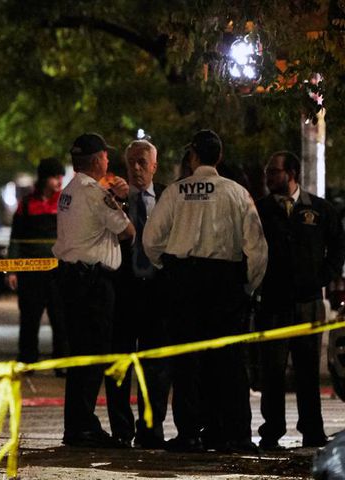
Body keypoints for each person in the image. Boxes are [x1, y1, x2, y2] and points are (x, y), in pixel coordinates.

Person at [143, 129, 268, 453]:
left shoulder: (175, 191)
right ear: (219, 157)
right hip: (225, 282)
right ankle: (234, 433)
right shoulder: (237, 192)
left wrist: (167, 267)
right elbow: (257, 247)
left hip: (184, 281)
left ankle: (189, 434)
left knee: (187, 361)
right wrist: (248, 285)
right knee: (229, 361)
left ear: (193, 157)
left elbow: (151, 239)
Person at [256, 151, 345, 449]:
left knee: (308, 371)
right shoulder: (261, 210)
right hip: (273, 302)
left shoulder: (319, 210)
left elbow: (337, 247)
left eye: (274, 171)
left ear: (291, 173)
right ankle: (272, 431)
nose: (268, 177)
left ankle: (312, 429)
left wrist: (322, 277)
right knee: (272, 371)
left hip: (308, 303)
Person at [53, 133, 134, 448]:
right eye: (106, 155)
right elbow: (127, 231)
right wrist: (121, 200)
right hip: (94, 284)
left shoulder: (69, 191)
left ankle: (76, 424)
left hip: (72, 280)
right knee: (93, 356)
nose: (108, 160)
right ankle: (84, 426)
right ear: (97, 160)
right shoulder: (94, 193)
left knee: (80, 356)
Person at [104, 140, 170, 448]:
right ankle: (121, 429)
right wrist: (118, 201)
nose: (136, 168)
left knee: (155, 366)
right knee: (119, 363)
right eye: (131, 162)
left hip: (157, 291)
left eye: (142, 161)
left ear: (154, 165)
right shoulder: (113, 198)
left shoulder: (169, 198)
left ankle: (151, 429)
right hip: (123, 289)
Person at [7, 157, 68, 372]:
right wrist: (12, 269)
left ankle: (62, 362)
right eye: (55, 177)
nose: (59, 181)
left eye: (60, 177)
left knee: (61, 319)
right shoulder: (26, 205)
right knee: (29, 319)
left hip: (58, 272)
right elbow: (16, 239)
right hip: (30, 273)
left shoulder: (65, 203)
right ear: (44, 178)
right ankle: (27, 360)